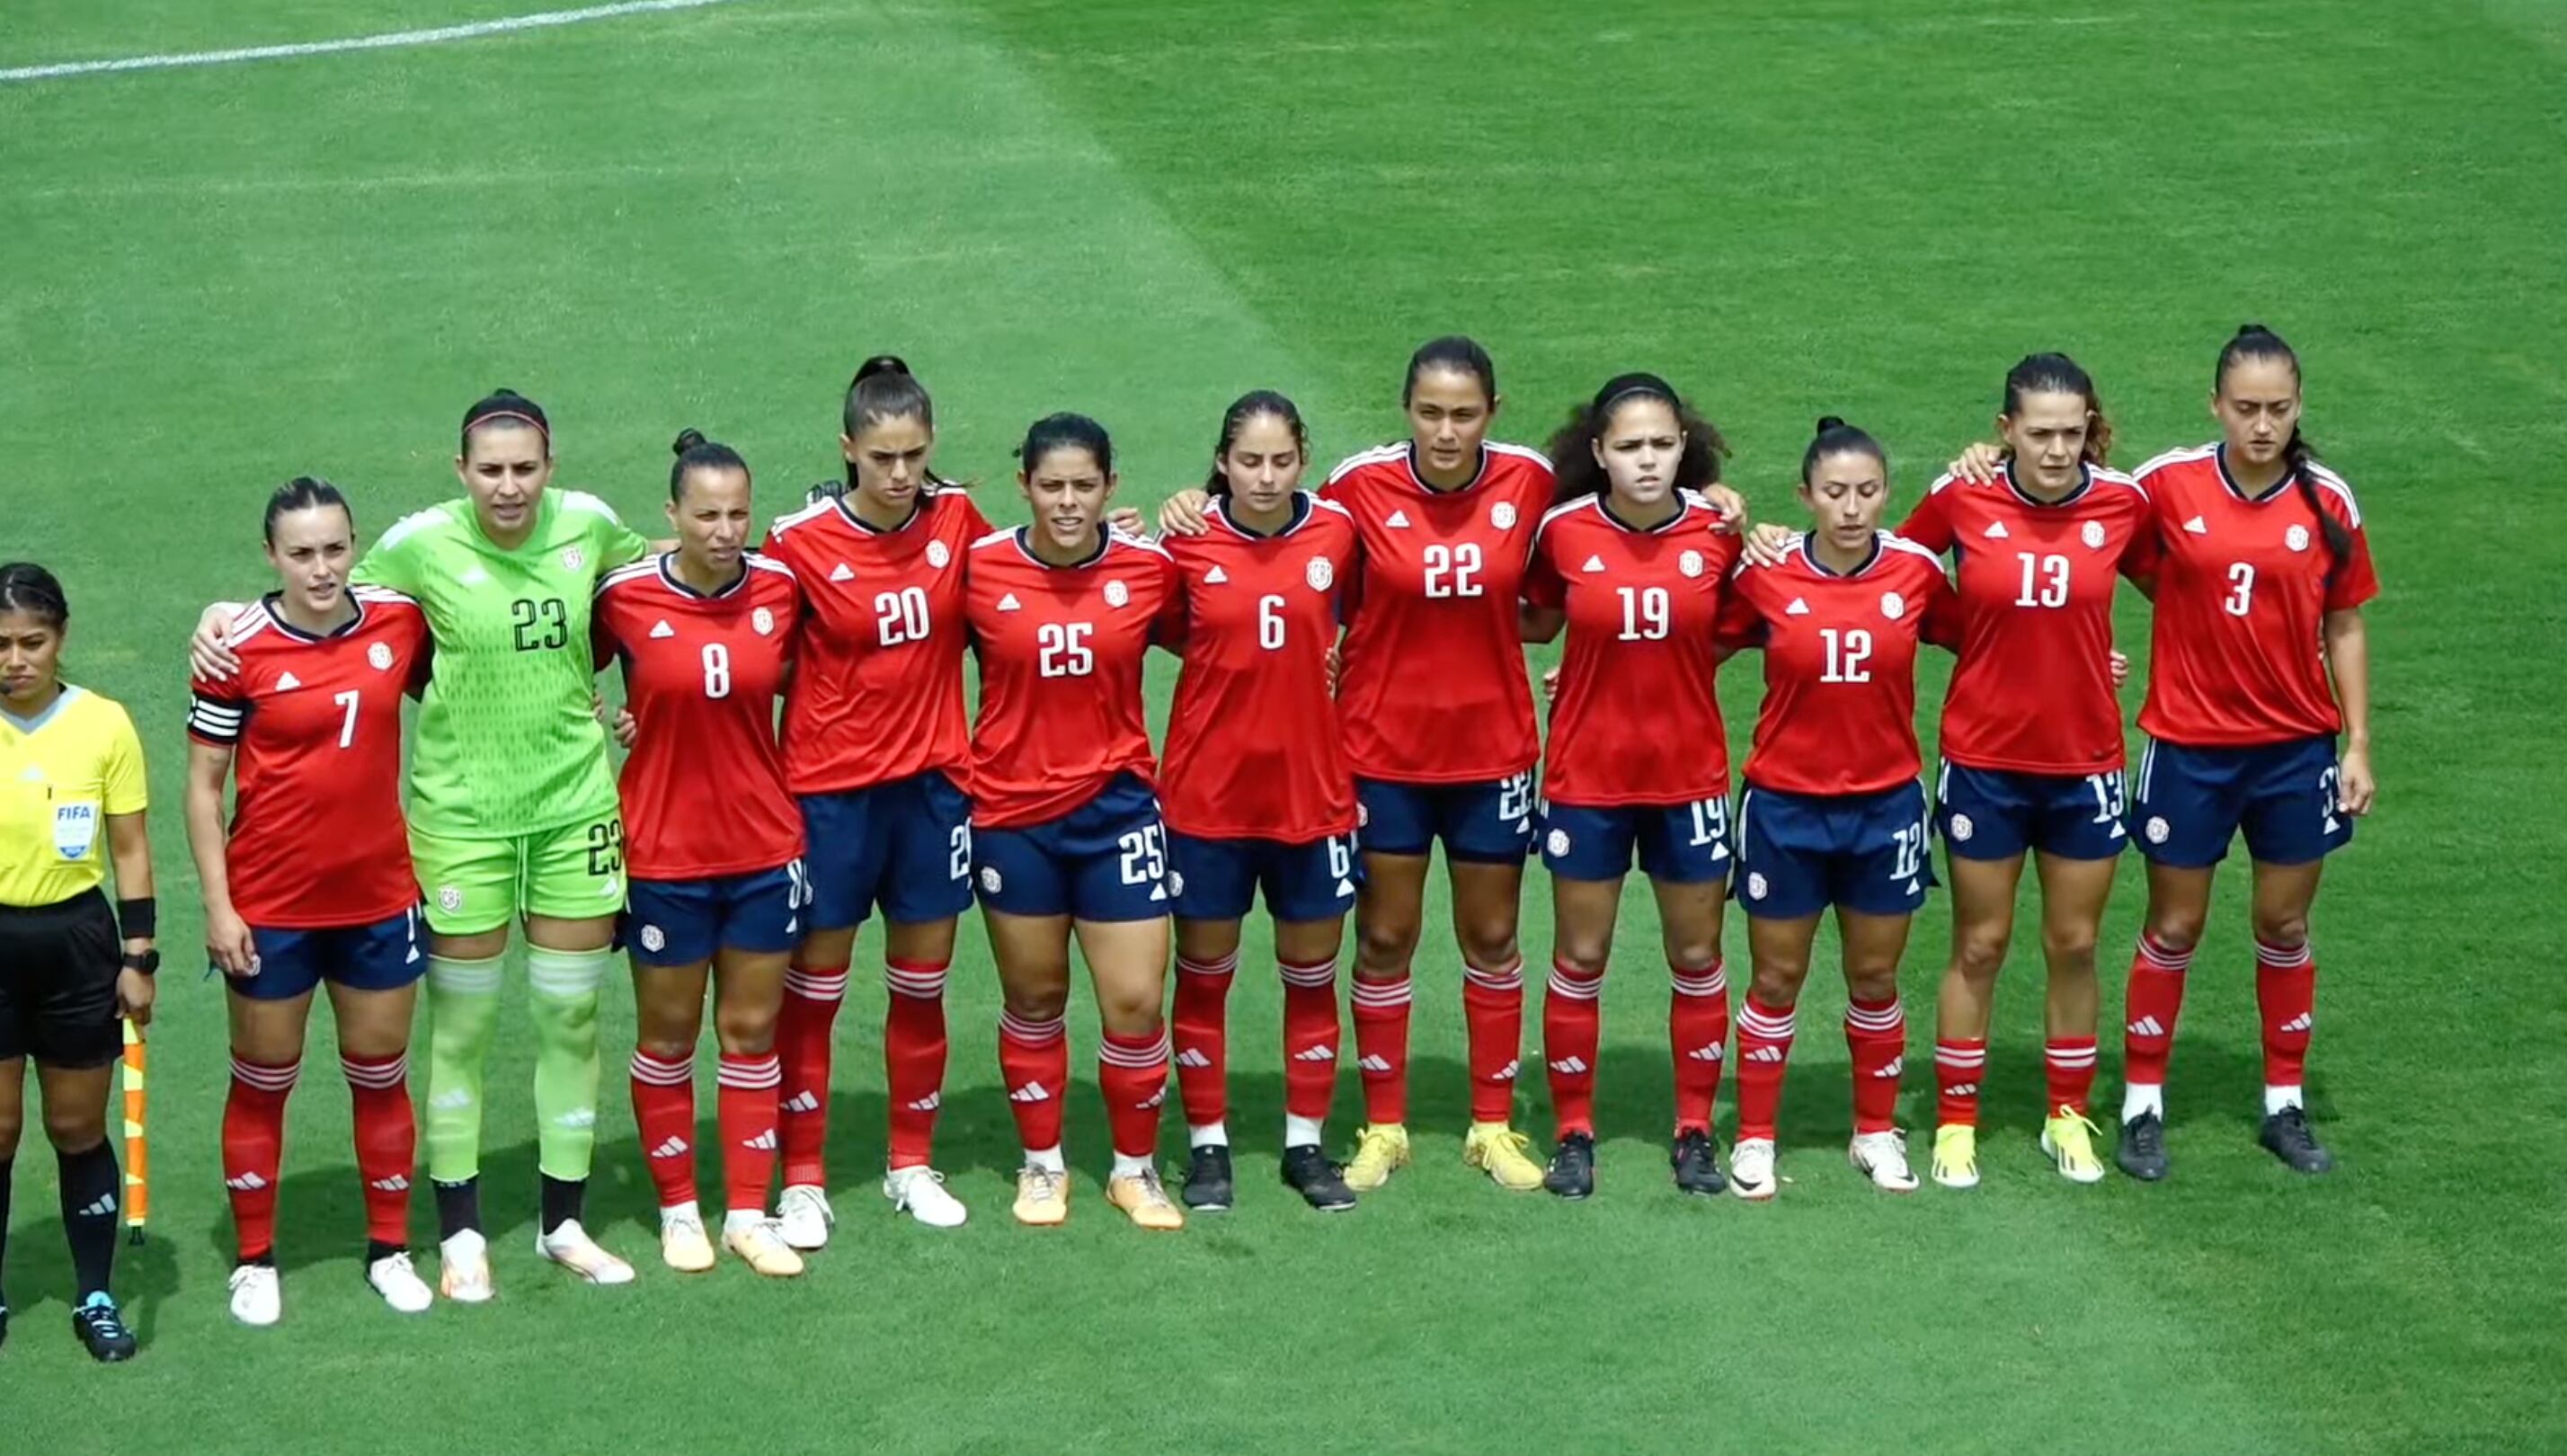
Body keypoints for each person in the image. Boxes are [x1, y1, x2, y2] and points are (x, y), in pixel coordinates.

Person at [193, 388, 648, 1297]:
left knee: (570, 1017)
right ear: (461, 471)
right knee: (463, 1028)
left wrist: (643, 693)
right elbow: (320, 597)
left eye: (525, 469)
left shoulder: (593, 524)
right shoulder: (418, 544)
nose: (509, 486)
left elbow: (651, 583)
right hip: (459, 824)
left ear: (550, 467)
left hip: (573, 814)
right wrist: (221, 615)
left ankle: (563, 1223)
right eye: (491, 470)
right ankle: (463, 1233)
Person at [1159, 338, 1553, 1194]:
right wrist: (1191, 499)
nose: (1446, 431)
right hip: (1377, 756)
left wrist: (1714, 494)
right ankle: (1383, 1126)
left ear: (1494, 411)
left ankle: (1492, 1123)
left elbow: (1620, 520)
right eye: (1429, 412)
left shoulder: (1530, 479)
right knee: (1382, 938)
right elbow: (1271, 561)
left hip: (1494, 753)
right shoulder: (1353, 493)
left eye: (1464, 413)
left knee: (1492, 937)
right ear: (1404, 409)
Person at [1754, 356, 2151, 1189]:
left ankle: (2066, 1118)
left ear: (2090, 431)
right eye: (2038, 433)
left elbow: (2186, 592)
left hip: (2086, 762)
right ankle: (1957, 1123)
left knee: (2074, 942)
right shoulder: (1961, 496)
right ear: (2006, 431)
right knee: (1981, 941)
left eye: (2070, 433)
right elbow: (1886, 570)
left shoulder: (2122, 504)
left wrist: (2092, 659)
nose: (2055, 449)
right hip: (1983, 762)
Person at [2110, 325, 2376, 1178]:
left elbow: (2345, 622)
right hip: (2187, 747)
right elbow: (2084, 538)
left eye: (2279, 409)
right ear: (2215, 405)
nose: (2263, 425)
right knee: (2175, 923)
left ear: (2299, 407)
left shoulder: (2327, 500)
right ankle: (2143, 1106)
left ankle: (2283, 1105)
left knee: (2284, 923)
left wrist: (2358, 743)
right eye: (2247, 408)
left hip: (2297, 751)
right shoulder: (2165, 485)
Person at [183, 480, 436, 1326]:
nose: (321, 569)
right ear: (271, 556)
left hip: (378, 899)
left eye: (334, 549)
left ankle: (391, 1248)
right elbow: (201, 789)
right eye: (301, 553)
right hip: (271, 908)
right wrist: (220, 909)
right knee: (262, 1082)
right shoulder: (237, 649)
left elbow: (486, 669)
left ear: (354, 543)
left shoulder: (399, 622)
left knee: (380, 1076)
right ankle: (255, 1260)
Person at [757, 357, 986, 1242]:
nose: (900, 476)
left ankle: (911, 1164)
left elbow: (1023, 580)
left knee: (921, 988)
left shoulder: (959, 518)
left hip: (932, 796)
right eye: (883, 457)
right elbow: (744, 641)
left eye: (915, 456)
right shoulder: (799, 541)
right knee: (814, 993)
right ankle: (804, 1180)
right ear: (848, 448)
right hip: (829, 801)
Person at [1711, 420, 1957, 1199]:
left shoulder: (1917, 572)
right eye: (1835, 493)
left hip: (1884, 809)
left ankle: (1876, 1134)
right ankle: (1753, 1139)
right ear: (1806, 495)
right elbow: (1687, 643)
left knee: (1875, 975)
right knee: (1776, 977)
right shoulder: (1767, 573)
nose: (1852, 508)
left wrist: (2097, 660)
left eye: (1868, 491)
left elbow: (1989, 642)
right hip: (1784, 807)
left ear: (1887, 491)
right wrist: (1584, 680)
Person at [1518, 374, 1743, 1199]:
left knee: (1696, 956)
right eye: (1629, 446)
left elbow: (1760, 623)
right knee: (1580, 957)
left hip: (1689, 780)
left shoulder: (1721, 533)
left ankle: (1694, 1128)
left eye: (1661, 444)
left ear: (1683, 448)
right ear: (1600, 454)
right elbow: (1529, 617)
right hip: (1588, 779)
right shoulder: (1561, 533)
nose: (1647, 461)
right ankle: (1574, 1130)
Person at [598, 432, 807, 1276]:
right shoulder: (621, 595)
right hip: (663, 855)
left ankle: (748, 1214)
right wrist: (600, 717)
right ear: (672, 515)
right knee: (670, 1034)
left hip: (764, 848)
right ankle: (680, 1210)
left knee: (752, 1032)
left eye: (738, 514)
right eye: (706, 514)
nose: (724, 530)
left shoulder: (785, 588)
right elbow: (546, 662)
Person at [969, 413, 1184, 1230]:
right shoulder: (980, 569)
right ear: (1023, 484)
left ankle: (1134, 1170)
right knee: (1036, 996)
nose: (1067, 502)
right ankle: (1042, 1166)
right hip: (1011, 816)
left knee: (1134, 1001)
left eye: (1084, 486)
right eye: (1051, 485)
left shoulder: (1147, 568)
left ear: (1110, 487)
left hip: (1118, 813)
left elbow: (1224, 644)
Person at [1157, 391, 1363, 1213]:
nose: (1266, 477)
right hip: (1207, 802)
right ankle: (1208, 1149)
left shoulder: (1339, 533)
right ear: (1221, 462)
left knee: (1311, 977)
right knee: (1204, 979)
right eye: (1249, 461)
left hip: (1312, 801)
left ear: (1304, 458)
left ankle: (1306, 1146)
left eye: (1281, 461)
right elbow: (1167, 630)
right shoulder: (1186, 542)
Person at [0, 563, 155, 1361]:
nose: (15, 659)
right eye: (1, 645)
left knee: (74, 1125)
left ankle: (94, 1295)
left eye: (33, 641)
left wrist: (141, 956)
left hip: (77, 945)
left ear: (61, 639)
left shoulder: (104, 724)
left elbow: (129, 849)